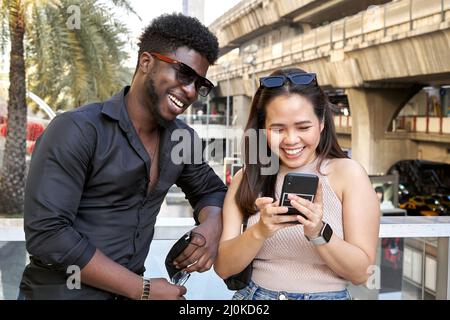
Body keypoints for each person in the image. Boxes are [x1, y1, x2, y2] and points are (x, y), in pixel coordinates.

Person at [19, 13, 227, 300]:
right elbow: (48, 234)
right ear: (146, 62)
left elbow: (212, 191)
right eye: (184, 74)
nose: (191, 91)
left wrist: (211, 227)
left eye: (199, 84)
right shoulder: (77, 129)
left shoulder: (182, 139)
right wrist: (141, 289)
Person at [214, 68, 380, 300]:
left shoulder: (349, 175)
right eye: (278, 129)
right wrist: (260, 231)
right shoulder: (246, 178)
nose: (291, 140)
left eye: (303, 127)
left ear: (322, 123)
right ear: (262, 129)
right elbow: (224, 267)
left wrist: (318, 232)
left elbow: (362, 273)